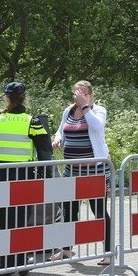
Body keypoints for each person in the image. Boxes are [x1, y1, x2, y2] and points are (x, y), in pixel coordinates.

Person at [0, 81, 54, 276]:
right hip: (22, 179)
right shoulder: (33, 122)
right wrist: (46, 179)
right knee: (18, 227)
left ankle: (18, 265)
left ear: (6, 98)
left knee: (5, 227)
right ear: (24, 97)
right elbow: (46, 154)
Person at [51, 80, 112, 265]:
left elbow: (96, 126)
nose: (79, 96)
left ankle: (108, 251)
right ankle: (67, 249)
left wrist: (86, 107)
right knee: (69, 209)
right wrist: (57, 139)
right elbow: (61, 130)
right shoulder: (68, 111)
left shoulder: (97, 111)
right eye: (77, 93)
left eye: (84, 94)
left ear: (91, 96)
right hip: (72, 169)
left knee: (98, 210)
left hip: (95, 170)